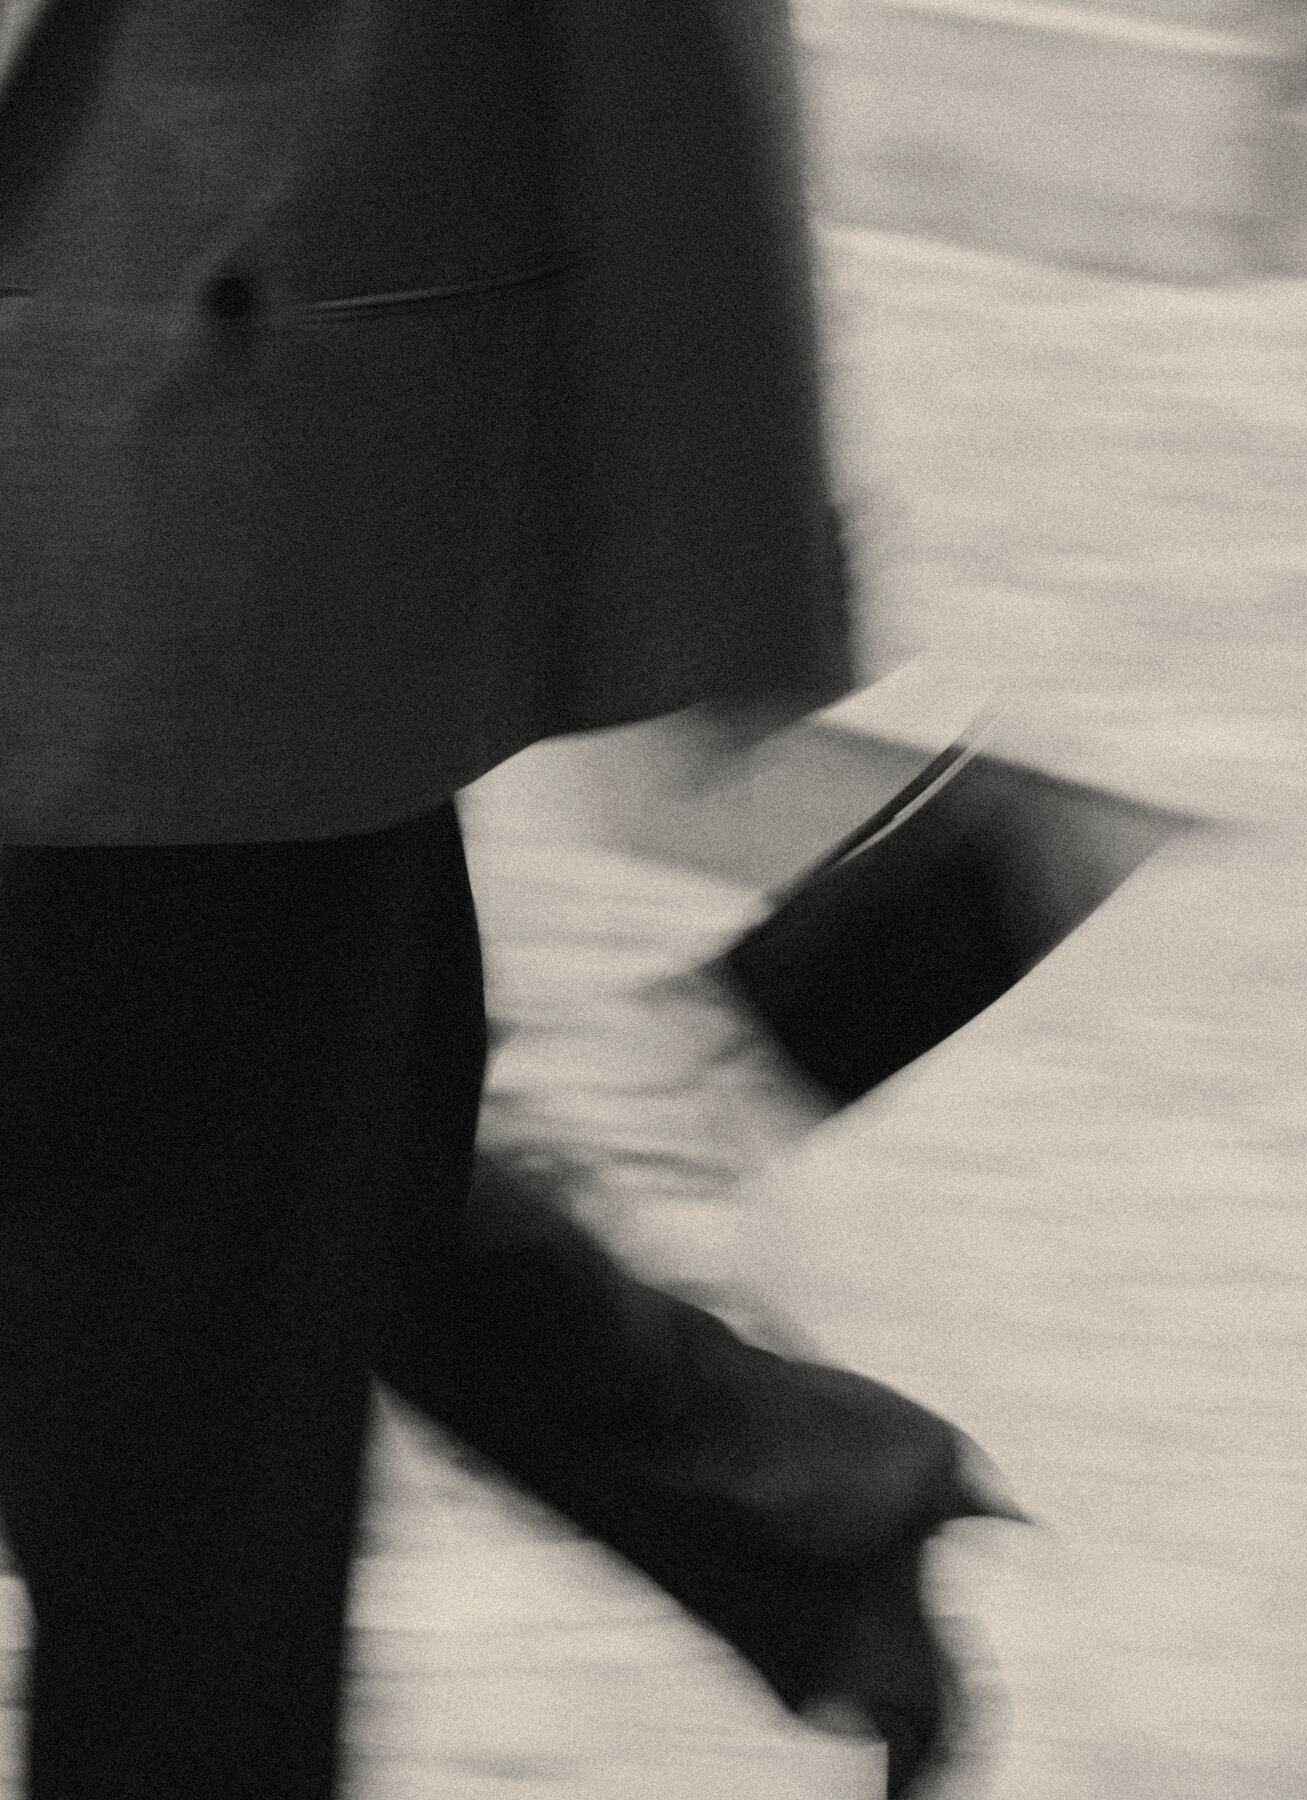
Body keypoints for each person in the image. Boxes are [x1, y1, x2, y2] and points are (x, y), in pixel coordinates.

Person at [0, 4, 1016, 1797]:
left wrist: (723, 599)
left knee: (189, 1407)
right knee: (263, 1203)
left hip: (200, 512)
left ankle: (794, 1497)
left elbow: (663, 67)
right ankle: (793, 1496)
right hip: (197, 504)